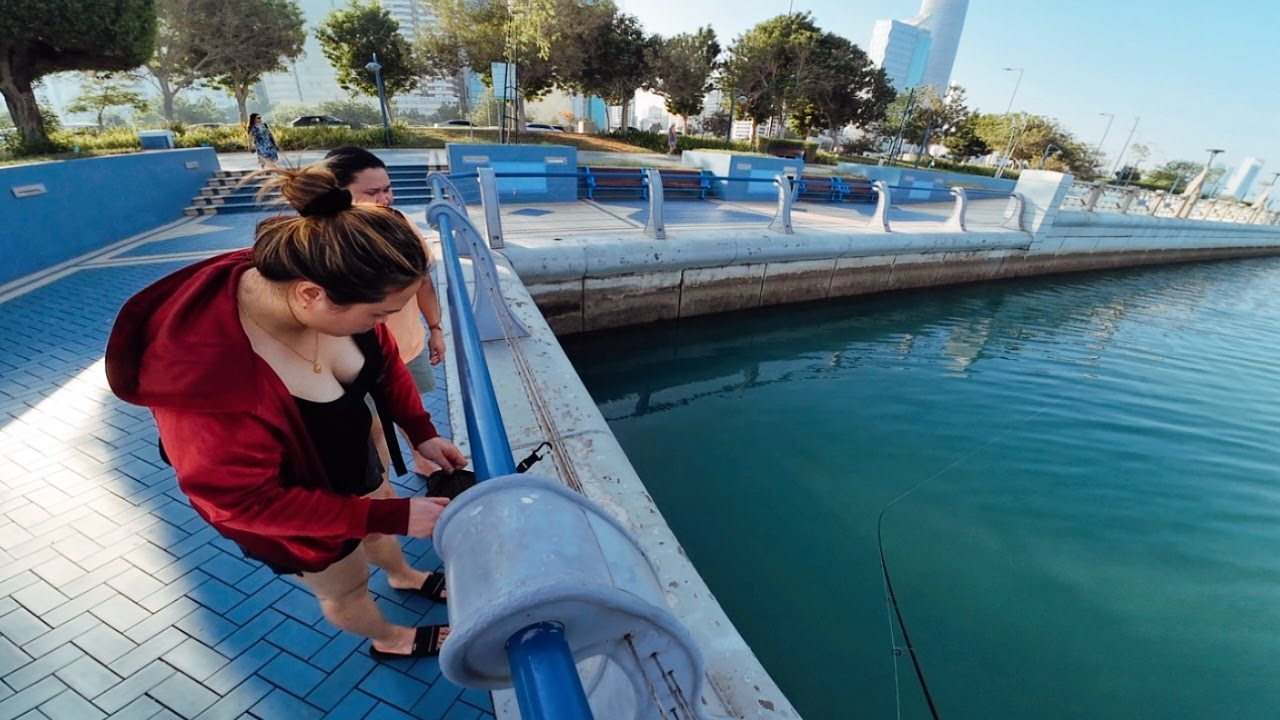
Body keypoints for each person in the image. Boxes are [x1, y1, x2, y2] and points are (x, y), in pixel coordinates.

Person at [105, 162, 468, 660]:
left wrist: (420, 432)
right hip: (292, 514)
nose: (386, 323)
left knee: (379, 521)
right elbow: (244, 501)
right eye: (381, 312)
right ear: (311, 296)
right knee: (346, 587)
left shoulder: (326, 276)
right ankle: (390, 638)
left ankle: (403, 575)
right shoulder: (205, 380)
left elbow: (383, 362)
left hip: (347, 465)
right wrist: (390, 512)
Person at [323, 147, 446, 479]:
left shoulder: (400, 225)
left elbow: (422, 282)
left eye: (387, 189)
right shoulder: (327, 243)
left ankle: (422, 461)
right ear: (338, 194)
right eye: (372, 192)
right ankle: (382, 494)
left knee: (412, 409)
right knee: (373, 432)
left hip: (406, 347)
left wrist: (435, 328)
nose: (385, 199)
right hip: (354, 364)